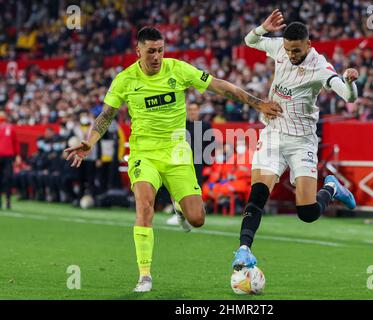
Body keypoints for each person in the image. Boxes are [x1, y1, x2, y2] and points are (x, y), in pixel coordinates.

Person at [64, 26, 282, 293]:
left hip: (178, 153)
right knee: (145, 207)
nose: (156, 56)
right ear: (138, 51)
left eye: (160, 50)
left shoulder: (178, 69)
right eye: (150, 51)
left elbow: (219, 86)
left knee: (198, 219)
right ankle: (145, 275)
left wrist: (257, 103)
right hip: (144, 154)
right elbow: (106, 115)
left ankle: (180, 208)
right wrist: (90, 141)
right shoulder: (125, 79)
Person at [232, 10, 359, 270]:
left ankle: (332, 188)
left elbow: (348, 97)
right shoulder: (280, 47)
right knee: (257, 193)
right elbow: (249, 41)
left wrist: (349, 82)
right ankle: (243, 249)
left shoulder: (320, 67)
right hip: (273, 134)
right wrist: (262, 28)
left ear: (309, 45)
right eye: (289, 50)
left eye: (296, 51)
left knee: (307, 212)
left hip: (302, 141)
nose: (291, 55)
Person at [166, 102, 215, 226]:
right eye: (190, 109)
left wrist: (204, 159)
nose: (192, 112)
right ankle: (179, 214)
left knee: (194, 190)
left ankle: (194, 215)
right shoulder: (182, 125)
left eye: (195, 109)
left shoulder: (205, 126)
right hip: (181, 161)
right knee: (178, 188)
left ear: (199, 111)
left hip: (197, 161)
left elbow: (211, 144)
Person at [0, 110, 21, 209]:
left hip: (8, 157)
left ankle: (8, 200)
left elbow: (15, 142)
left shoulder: (10, 128)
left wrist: (17, 155)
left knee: (7, 178)